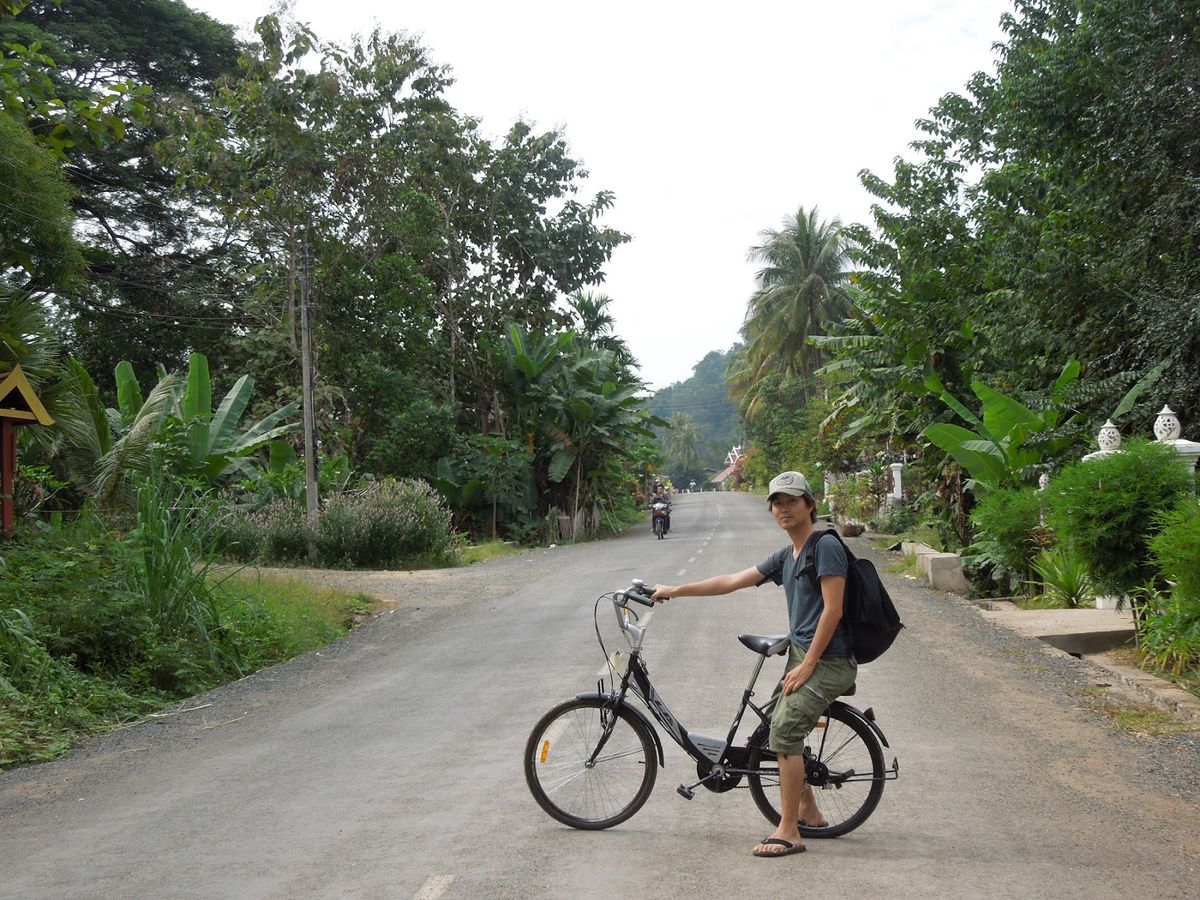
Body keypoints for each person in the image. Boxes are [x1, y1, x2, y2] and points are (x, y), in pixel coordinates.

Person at [649, 470, 855, 858]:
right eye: (777, 503)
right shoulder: (788, 555)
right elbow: (732, 581)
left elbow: (833, 611)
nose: (783, 508)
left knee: (785, 732)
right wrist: (674, 590)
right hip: (804, 656)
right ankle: (809, 810)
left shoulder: (825, 546)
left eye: (792, 501)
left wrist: (808, 665)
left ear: (810, 505)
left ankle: (790, 831)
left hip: (829, 660)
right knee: (771, 732)